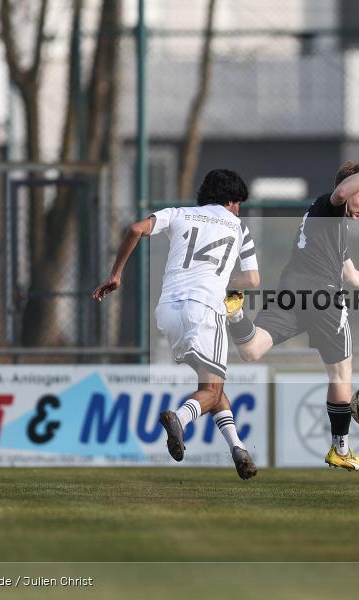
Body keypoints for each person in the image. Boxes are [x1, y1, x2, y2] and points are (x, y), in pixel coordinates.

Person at [224, 141, 359, 471]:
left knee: (251, 350)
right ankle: (340, 449)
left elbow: (351, 273)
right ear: (355, 188)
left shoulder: (329, 225)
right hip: (323, 297)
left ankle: (236, 311)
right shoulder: (330, 207)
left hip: (292, 290)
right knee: (341, 371)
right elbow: (343, 194)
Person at [92, 169, 261, 480]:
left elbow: (134, 229)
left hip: (168, 310)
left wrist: (115, 275)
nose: (239, 209)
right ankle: (179, 419)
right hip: (205, 309)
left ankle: (238, 449)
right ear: (230, 200)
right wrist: (223, 282)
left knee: (212, 385)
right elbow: (252, 279)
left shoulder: (178, 213)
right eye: (238, 203)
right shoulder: (239, 227)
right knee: (211, 389)